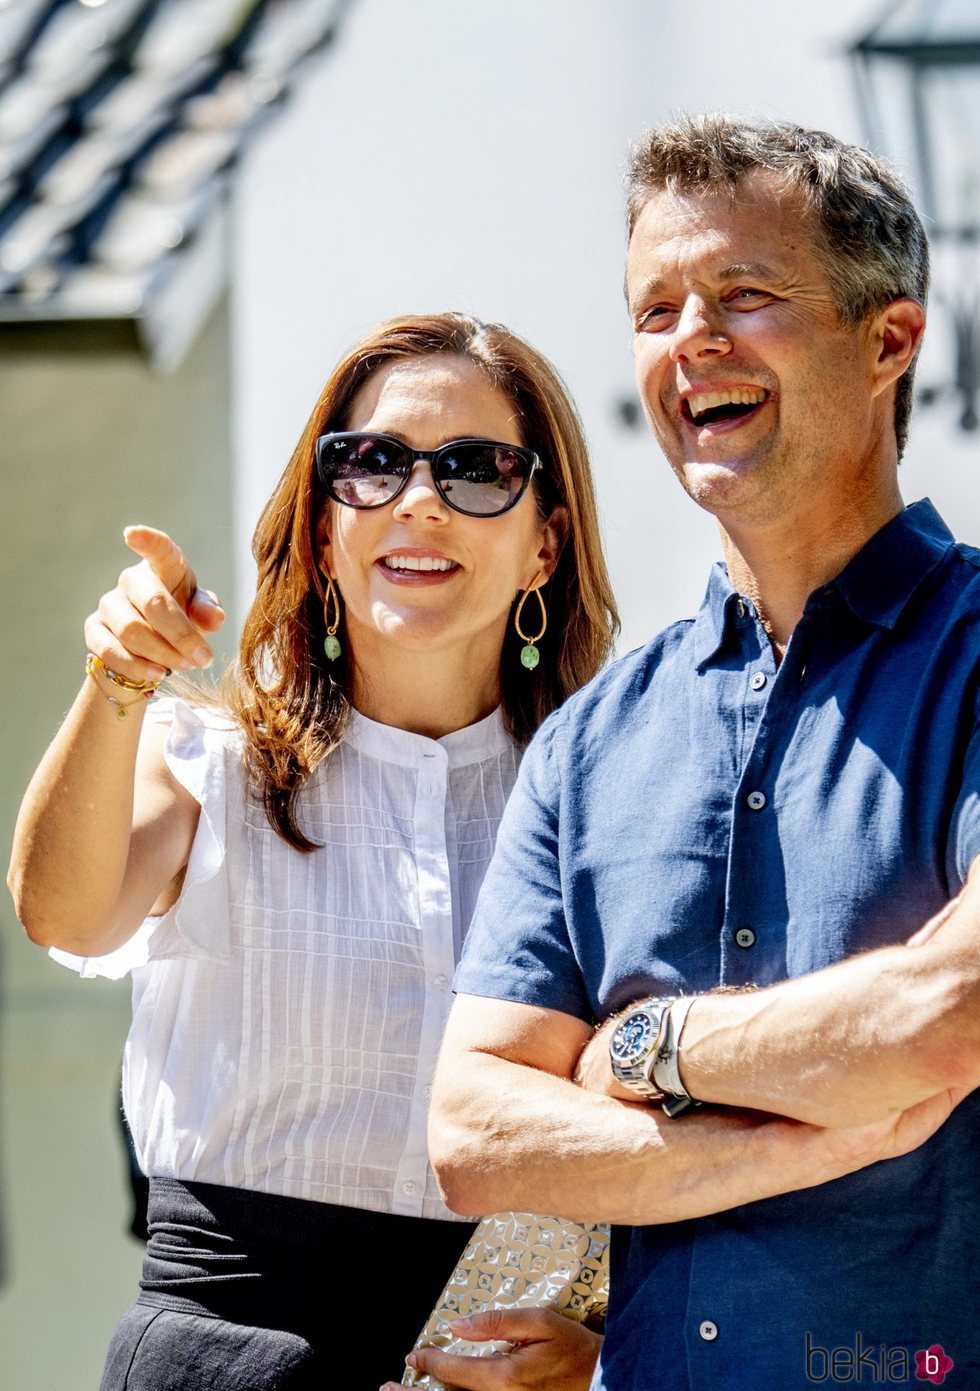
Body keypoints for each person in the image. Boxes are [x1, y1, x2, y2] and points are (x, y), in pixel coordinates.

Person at [427, 114, 980, 1390]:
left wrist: (643, 1048)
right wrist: (800, 1132)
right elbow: (473, 1128)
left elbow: (942, 1013)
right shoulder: (587, 739)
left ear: (888, 338)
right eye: (656, 308)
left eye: (744, 294)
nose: (691, 342)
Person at [7, 312, 618, 1390]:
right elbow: (63, 909)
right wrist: (116, 681)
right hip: (226, 1356)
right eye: (369, 463)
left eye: (475, 467)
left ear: (545, 544)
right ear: (321, 522)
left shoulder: (609, 801)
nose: (417, 497)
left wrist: (602, 1346)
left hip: (503, 1365)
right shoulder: (203, 755)